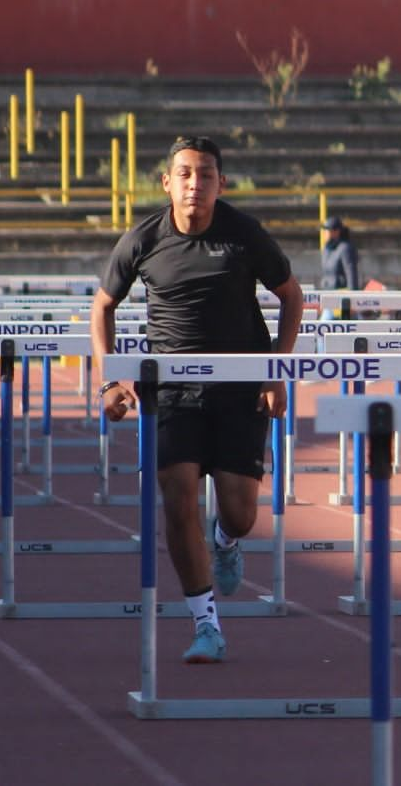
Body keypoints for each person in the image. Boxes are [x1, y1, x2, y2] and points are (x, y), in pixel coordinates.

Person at [91, 136, 304, 664]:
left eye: (205, 174)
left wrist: (276, 372)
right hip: (174, 392)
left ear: (220, 183)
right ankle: (206, 623)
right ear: (167, 183)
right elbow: (102, 307)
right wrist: (111, 380)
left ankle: (226, 542)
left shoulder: (244, 234)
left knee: (241, 514)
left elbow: (292, 297)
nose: (194, 184)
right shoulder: (143, 239)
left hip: (239, 389)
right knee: (178, 494)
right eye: (184, 174)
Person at [320, 216, 360, 290]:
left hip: (340, 296)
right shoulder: (327, 248)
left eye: (327, 230)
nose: (324, 233)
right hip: (327, 292)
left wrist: (352, 297)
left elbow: (351, 275)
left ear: (336, 232)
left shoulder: (345, 248)